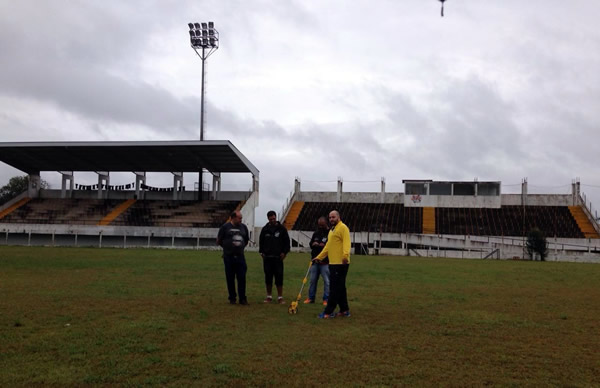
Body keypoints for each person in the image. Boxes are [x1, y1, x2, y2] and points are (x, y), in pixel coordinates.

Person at [313, 210, 351, 319]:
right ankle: (344, 310)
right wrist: (319, 257)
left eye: (333, 217)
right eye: (330, 217)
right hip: (333, 263)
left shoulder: (343, 228)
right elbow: (327, 247)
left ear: (338, 217)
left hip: (341, 263)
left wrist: (345, 256)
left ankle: (328, 311)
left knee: (334, 288)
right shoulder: (331, 231)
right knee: (340, 288)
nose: (331, 219)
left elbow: (347, 243)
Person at [216, 210, 250, 305]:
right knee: (230, 278)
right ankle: (232, 298)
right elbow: (218, 240)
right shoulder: (225, 227)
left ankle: (242, 298)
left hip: (240, 257)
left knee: (242, 278)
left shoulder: (243, 227)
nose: (241, 220)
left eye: (241, 218)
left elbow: (246, 240)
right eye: (239, 218)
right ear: (233, 218)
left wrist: (239, 248)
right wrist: (227, 249)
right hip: (229, 257)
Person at [259, 210, 290, 304]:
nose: (272, 220)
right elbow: (261, 242)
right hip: (268, 258)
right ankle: (269, 296)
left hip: (278, 258)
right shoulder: (265, 229)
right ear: (268, 218)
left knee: (279, 277)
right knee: (268, 277)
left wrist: (284, 253)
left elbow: (287, 242)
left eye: (274, 218)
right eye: (270, 219)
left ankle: (280, 297)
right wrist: (262, 252)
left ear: (276, 217)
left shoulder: (282, 229)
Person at [304, 216, 330, 306]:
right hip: (315, 261)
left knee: (327, 281)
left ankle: (326, 299)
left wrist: (323, 245)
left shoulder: (330, 233)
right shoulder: (316, 233)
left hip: (325, 262)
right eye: (319, 225)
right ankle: (311, 298)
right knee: (312, 280)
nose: (320, 227)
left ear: (326, 223)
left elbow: (330, 247)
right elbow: (310, 244)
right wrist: (313, 244)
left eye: (322, 225)